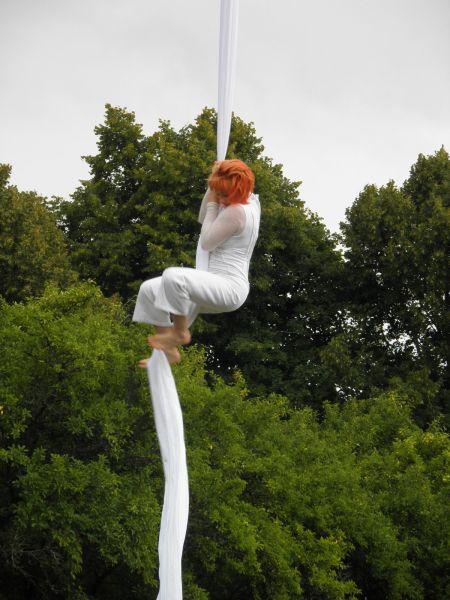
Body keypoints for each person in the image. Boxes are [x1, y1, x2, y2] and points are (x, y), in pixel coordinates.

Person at [133, 159, 260, 365]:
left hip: (229, 287)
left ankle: (179, 333)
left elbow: (206, 242)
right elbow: (204, 217)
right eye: (218, 193)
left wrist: (214, 203)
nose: (221, 198)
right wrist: (215, 180)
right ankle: (169, 351)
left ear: (238, 192)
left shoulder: (238, 211)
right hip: (210, 280)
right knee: (149, 290)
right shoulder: (245, 200)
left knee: (173, 277)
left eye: (224, 194)